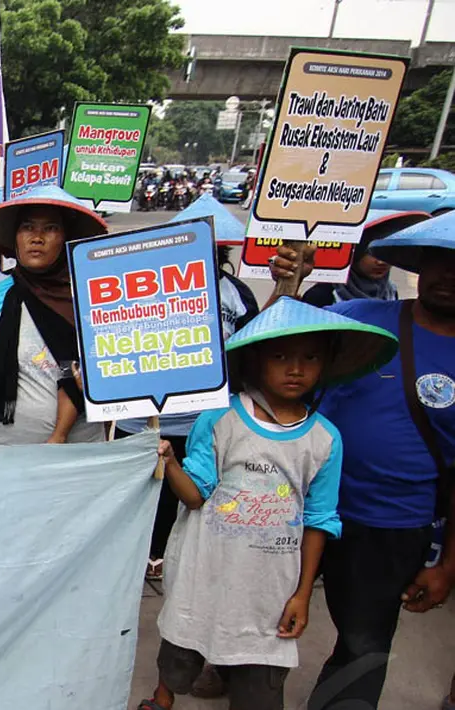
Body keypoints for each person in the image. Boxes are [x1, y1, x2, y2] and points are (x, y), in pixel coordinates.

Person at [139, 297, 398, 710]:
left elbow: (319, 519)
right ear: (256, 360)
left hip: (270, 588)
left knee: (260, 681)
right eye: (280, 356)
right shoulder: (220, 417)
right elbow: (194, 495)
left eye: (309, 357)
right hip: (203, 573)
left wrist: (301, 593)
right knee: (181, 649)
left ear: (326, 363)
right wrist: (168, 461)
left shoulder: (325, 439)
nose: (295, 369)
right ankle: (161, 698)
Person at [269, 211, 455, 709]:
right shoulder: (359, 317)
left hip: (391, 526)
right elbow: (266, 349)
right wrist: (288, 285)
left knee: (363, 642)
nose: (449, 275)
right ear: (421, 265)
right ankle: (231, 676)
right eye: (441, 261)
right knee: (260, 615)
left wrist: (447, 564)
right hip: (293, 503)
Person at [117, 195, 261, 583]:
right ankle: (140, 558)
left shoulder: (237, 294)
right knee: (143, 499)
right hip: (146, 421)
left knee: (196, 496)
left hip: (207, 422)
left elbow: (253, 348)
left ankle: (176, 559)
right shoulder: (143, 285)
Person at [0, 185, 107, 446]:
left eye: (50, 228)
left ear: (66, 238)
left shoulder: (94, 301)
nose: (37, 237)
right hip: (8, 460)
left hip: (83, 459)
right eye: (27, 227)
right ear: (15, 238)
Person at [302, 210, 430, 308]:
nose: (381, 261)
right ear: (355, 253)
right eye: (370, 252)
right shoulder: (322, 296)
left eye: (385, 253)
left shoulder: (390, 292)